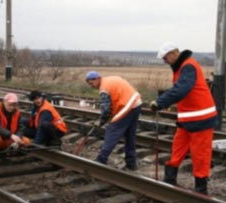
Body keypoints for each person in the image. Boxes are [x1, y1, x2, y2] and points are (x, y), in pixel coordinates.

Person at [150, 42, 217, 194]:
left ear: (174, 53)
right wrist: (162, 98)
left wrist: (160, 102)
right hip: (187, 118)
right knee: (178, 147)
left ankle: (200, 187)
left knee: (200, 153)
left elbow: (182, 89)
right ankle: (170, 178)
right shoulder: (180, 67)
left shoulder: (188, 66)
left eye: (165, 58)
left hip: (202, 117)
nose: (164, 61)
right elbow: (179, 89)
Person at [85, 71, 142, 170]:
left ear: (97, 78)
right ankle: (131, 163)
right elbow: (114, 101)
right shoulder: (110, 79)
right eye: (89, 84)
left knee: (112, 130)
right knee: (129, 134)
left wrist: (101, 121)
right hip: (136, 102)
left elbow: (106, 110)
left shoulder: (104, 89)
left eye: (92, 83)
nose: (92, 86)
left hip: (127, 105)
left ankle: (101, 159)